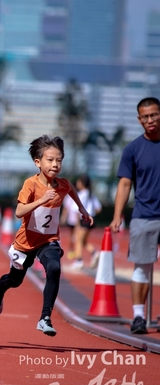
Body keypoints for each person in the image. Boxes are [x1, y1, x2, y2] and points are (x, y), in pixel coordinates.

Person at [0, 135, 92, 337]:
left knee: (54, 268)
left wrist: (82, 208)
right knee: (15, 280)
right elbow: (19, 211)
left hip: (48, 240)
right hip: (26, 242)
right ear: (38, 162)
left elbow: (71, 189)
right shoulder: (31, 184)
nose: (55, 164)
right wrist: (41, 200)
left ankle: (45, 318)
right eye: (50, 160)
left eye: (59, 160)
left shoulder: (63, 184)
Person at [109, 97, 160, 335]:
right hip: (144, 215)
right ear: (139, 120)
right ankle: (138, 316)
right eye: (145, 116)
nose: (150, 120)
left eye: (154, 115)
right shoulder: (133, 149)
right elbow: (125, 184)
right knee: (142, 267)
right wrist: (117, 215)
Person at [70, 174, 102, 270]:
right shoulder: (91, 195)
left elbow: (76, 210)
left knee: (78, 241)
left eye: (78, 181)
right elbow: (99, 208)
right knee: (83, 241)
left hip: (84, 220)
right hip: (92, 219)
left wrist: (77, 225)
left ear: (82, 183)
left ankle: (79, 261)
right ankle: (94, 253)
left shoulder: (80, 195)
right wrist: (91, 212)